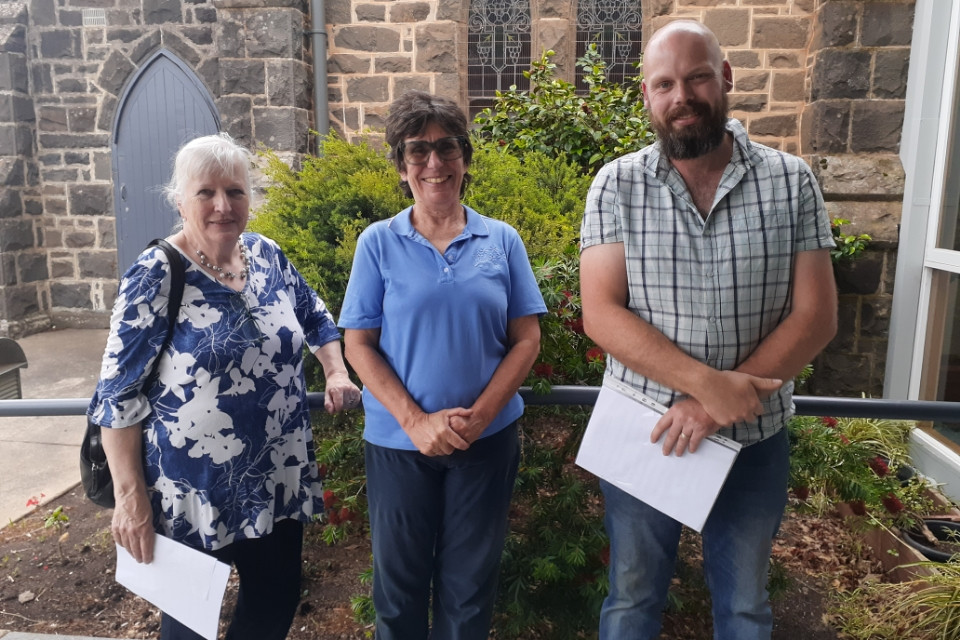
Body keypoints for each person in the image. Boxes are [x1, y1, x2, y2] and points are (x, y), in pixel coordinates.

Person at [579, 20, 838, 640]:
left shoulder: (790, 181)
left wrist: (715, 406)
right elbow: (602, 314)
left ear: (724, 78)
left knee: (746, 607)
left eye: (696, 77)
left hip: (753, 442)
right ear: (647, 95)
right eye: (664, 84)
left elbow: (817, 316)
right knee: (631, 600)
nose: (681, 96)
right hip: (645, 432)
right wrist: (703, 387)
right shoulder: (616, 185)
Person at [87, 132, 361, 640]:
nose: (222, 205)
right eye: (205, 193)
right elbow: (115, 397)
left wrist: (336, 369)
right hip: (193, 494)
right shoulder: (157, 274)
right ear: (179, 200)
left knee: (272, 608)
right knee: (188, 627)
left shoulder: (266, 256)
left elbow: (317, 317)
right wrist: (130, 499)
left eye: (235, 191)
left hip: (277, 479)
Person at [337, 90, 546, 640]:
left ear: (465, 158)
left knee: (470, 591)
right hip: (398, 444)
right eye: (417, 151)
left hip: (486, 440)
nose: (434, 162)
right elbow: (358, 344)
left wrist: (480, 416)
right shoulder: (376, 244)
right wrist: (415, 421)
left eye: (447, 147)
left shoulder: (501, 241)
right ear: (401, 167)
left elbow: (527, 338)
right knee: (398, 591)